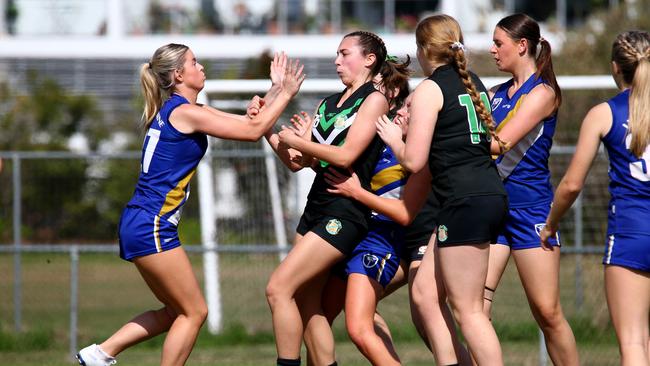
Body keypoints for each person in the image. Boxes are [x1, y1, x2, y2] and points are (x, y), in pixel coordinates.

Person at [75, 45, 304, 366]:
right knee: (194, 312)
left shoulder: (183, 110)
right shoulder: (183, 112)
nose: (201, 66)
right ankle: (100, 354)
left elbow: (248, 122)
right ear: (179, 75)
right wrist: (287, 93)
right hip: (151, 223)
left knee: (177, 311)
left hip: (142, 222)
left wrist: (273, 92)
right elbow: (253, 130)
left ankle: (99, 353)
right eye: (194, 62)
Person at [264, 30, 406, 366]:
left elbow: (346, 156)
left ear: (369, 59)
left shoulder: (375, 99)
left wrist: (298, 141)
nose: (337, 60)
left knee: (278, 288)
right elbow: (298, 163)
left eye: (345, 53)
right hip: (316, 208)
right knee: (307, 304)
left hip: (346, 211)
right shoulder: (328, 104)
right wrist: (269, 122)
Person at [380, 14, 507, 364]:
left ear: (424, 50)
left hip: (465, 200)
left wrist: (394, 139)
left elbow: (414, 161)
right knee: (423, 293)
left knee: (468, 312)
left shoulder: (430, 90)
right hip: (484, 194)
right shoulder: (473, 82)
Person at [323, 92, 472, 366]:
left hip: (421, 237)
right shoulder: (380, 139)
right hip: (387, 239)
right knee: (357, 313)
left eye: (408, 107)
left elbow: (404, 211)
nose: (400, 111)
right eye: (401, 105)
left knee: (426, 314)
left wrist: (356, 192)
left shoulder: (422, 152)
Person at [541, 30, 650, 366]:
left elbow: (572, 184)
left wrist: (550, 225)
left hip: (632, 231)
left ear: (615, 67)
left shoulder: (604, 113)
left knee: (633, 341)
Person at [482, 13, 579, 365]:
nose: (492, 50)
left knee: (547, 312)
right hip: (494, 210)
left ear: (522, 46)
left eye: (498, 43)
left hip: (531, 213)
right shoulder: (493, 94)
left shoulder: (542, 93)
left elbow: (501, 143)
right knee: (475, 306)